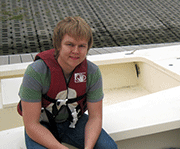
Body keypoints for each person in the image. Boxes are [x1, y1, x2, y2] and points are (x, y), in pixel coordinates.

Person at [17, 16, 118, 149]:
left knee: (109, 147)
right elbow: (31, 125)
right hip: (42, 125)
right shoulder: (36, 72)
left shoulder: (92, 73)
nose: (76, 51)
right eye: (70, 44)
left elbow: (95, 118)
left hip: (73, 122)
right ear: (58, 45)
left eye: (82, 46)